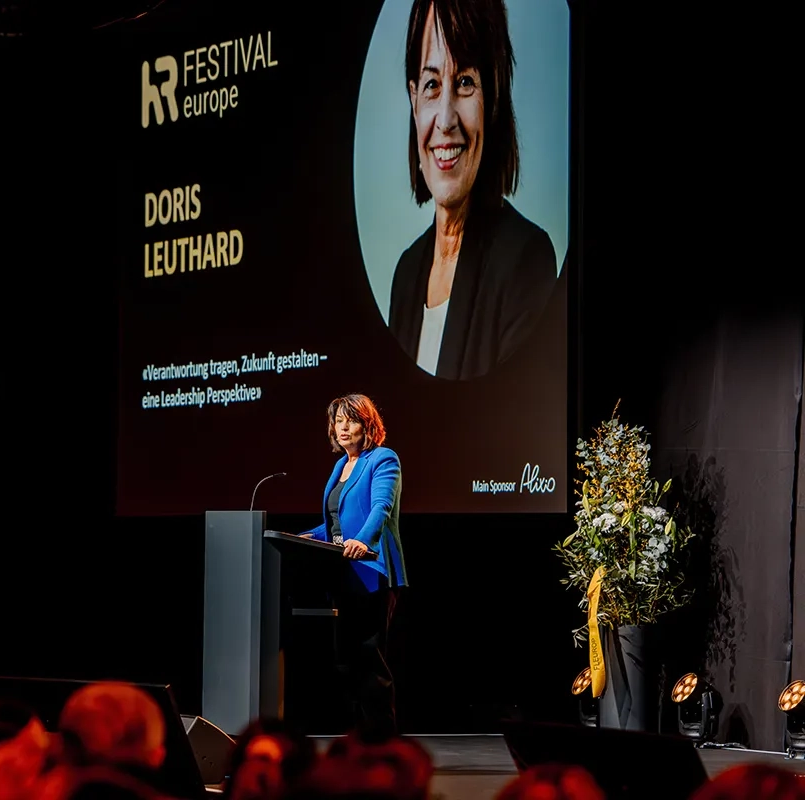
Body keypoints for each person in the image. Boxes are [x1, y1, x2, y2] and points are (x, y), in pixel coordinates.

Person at [388, 0, 557, 381]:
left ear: (492, 98)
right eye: (432, 85)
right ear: (414, 100)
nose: (446, 119)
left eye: (465, 82)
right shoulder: (406, 274)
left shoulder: (525, 261)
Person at [299, 394, 406, 733]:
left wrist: (365, 540)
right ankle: (361, 740)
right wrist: (309, 537)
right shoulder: (340, 466)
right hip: (343, 574)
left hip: (372, 570)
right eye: (338, 421)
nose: (343, 427)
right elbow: (337, 523)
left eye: (351, 420)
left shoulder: (383, 459)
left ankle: (383, 745)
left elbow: (380, 509)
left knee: (371, 662)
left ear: (368, 425)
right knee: (346, 663)